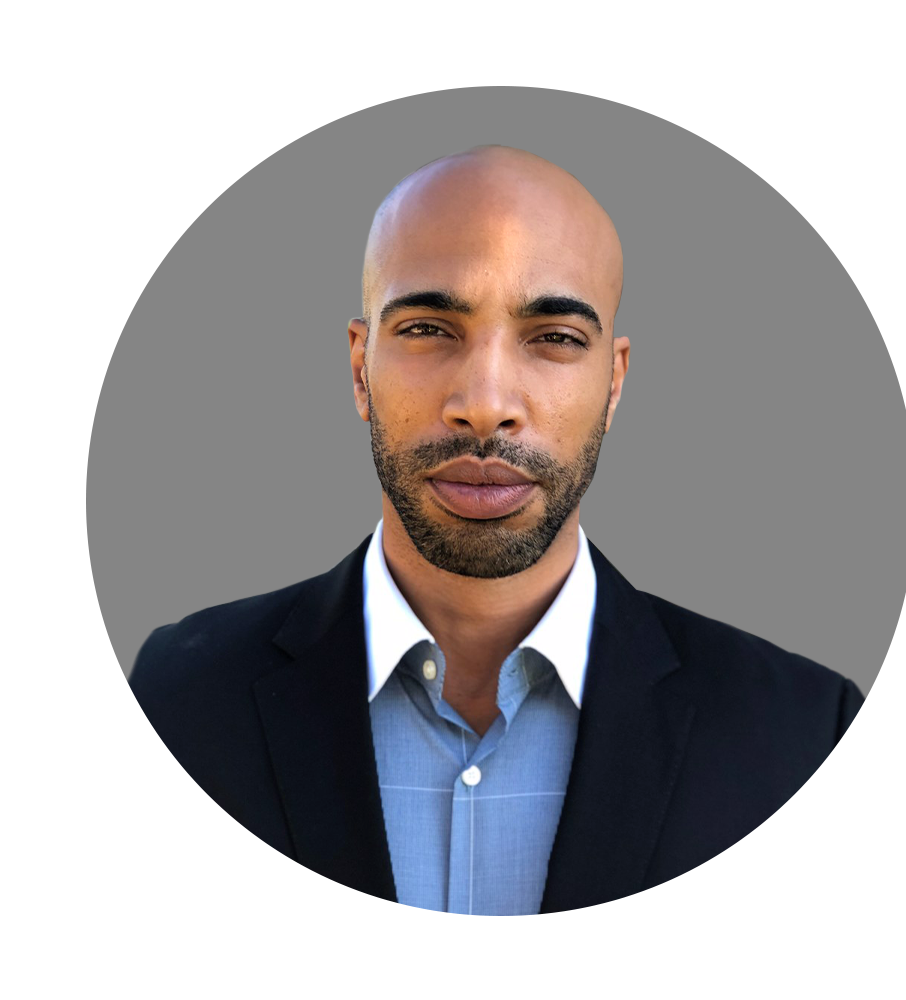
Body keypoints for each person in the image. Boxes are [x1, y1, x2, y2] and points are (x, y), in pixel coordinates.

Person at [128, 144, 865, 928]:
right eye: (428, 328)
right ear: (358, 368)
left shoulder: (801, 733)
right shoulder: (177, 698)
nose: (484, 404)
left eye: (552, 337)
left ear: (613, 384)